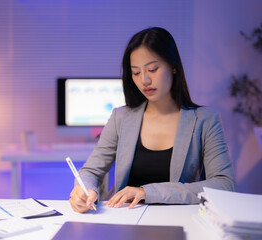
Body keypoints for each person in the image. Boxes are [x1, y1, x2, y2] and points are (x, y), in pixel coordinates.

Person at [69, 27, 236, 213]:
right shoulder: (121, 117)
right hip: (124, 219)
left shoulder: (205, 120)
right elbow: (91, 171)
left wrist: (147, 192)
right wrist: (85, 189)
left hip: (176, 220)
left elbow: (224, 184)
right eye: (136, 72)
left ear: (173, 67)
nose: (144, 80)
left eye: (152, 69)